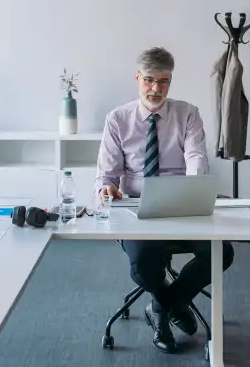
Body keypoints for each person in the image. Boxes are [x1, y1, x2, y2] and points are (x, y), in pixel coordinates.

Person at [95, 47, 235, 354]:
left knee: (221, 253)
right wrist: (106, 190)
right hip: (135, 207)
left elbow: (196, 159)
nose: (156, 89)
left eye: (164, 81)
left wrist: (196, 189)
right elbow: (106, 176)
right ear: (138, 79)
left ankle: (163, 306)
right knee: (144, 263)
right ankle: (169, 309)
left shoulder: (188, 113)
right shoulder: (118, 119)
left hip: (181, 206)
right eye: (149, 80)